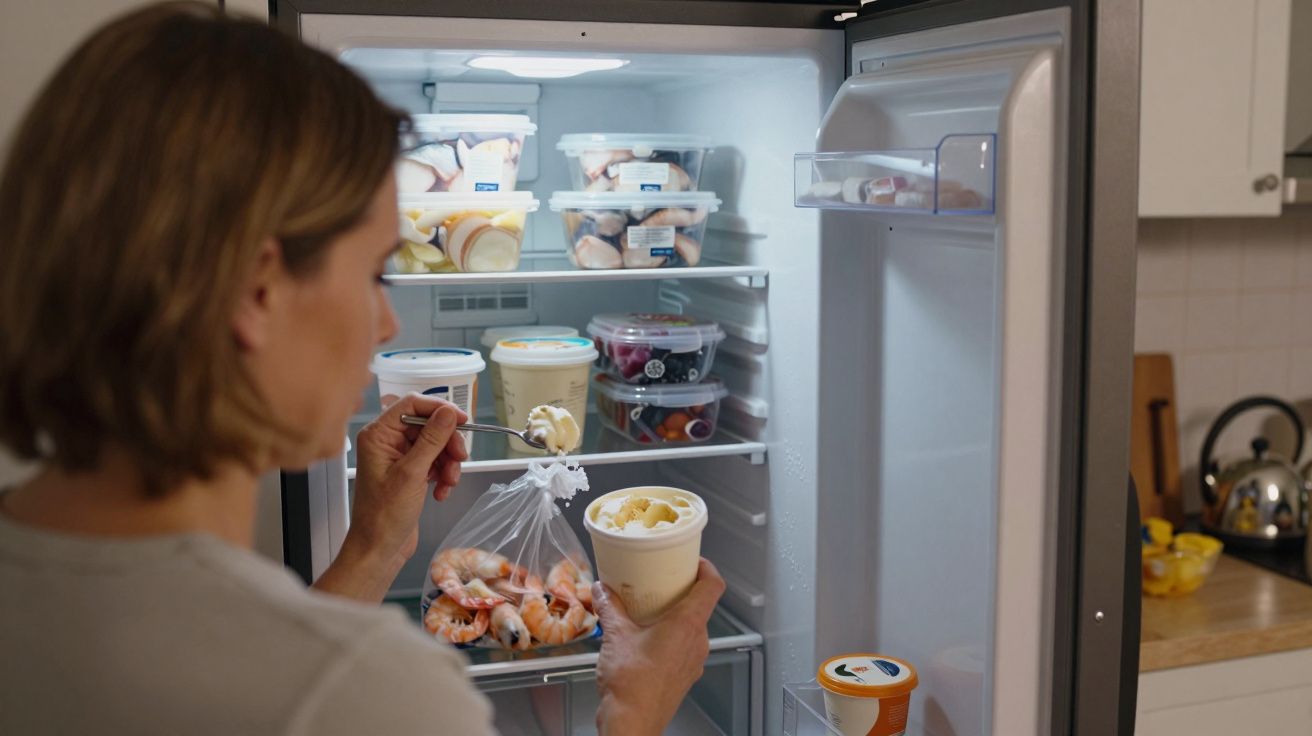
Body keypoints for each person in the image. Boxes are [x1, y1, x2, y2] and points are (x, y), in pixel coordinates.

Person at [0, 3, 725, 734]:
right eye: (375, 273)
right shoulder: (381, 696)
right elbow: (301, 685)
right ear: (257, 292)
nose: (385, 324)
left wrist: (376, 546)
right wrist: (636, 713)